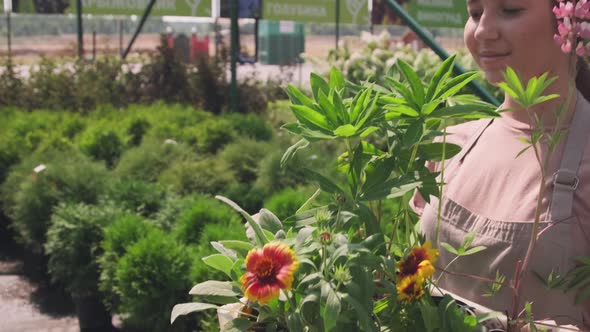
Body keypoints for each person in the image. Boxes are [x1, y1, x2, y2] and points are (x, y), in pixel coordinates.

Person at [411, 0, 590, 328]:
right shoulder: (450, 146)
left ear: (573, 20)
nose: (482, 30)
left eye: (510, 10)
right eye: (475, 12)